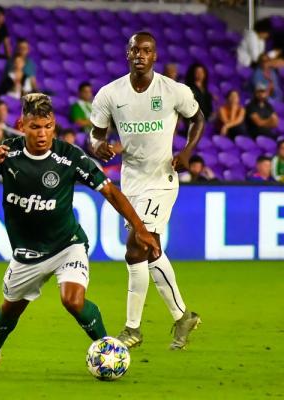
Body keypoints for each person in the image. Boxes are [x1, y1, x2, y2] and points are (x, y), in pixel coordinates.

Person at [0, 93, 159, 372]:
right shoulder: (6, 152)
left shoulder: (69, 157)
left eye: (48, 126)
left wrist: (140, 228)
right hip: (27, 253)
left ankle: (109, 352)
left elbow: (110, 191)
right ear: (21, 125)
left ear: (54, 126)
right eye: (35, 127)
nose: (42, 134)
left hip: (67, 245)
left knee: (72, 300)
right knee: (10, 308)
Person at [90, 32, 204, 350]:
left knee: (135, 247)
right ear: (127, 54)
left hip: (162, 179)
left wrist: (187, 152)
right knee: (149, 249)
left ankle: (132, 329)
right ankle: (182, 316)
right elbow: (95, 134)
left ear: (154, 56)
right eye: (135, 50)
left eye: (147, 50)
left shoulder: (173, 91)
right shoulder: (110, 94)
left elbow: (198, 119)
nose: (140, 54)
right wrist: (98, 146)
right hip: (132, 183)